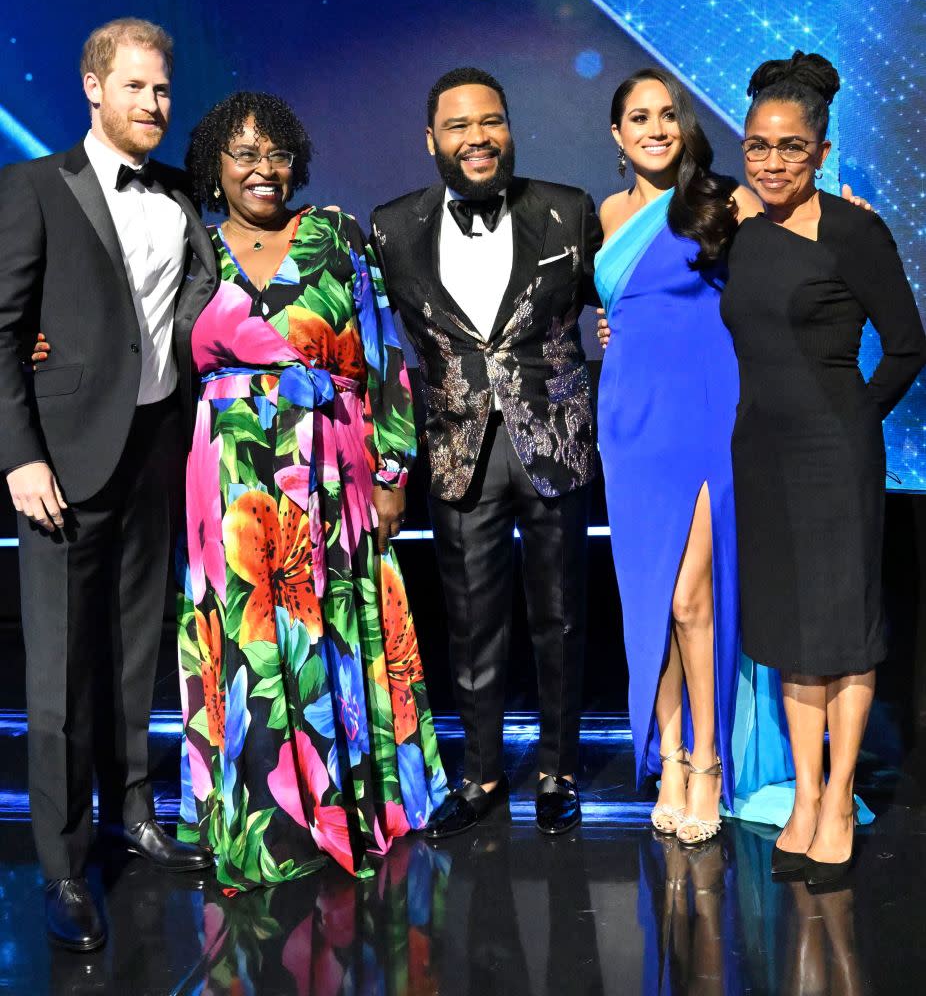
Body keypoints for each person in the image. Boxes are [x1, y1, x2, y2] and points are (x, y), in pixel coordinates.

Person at [175, 92, 448, 890]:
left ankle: (344, 811)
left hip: (329, 469)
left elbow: (386, 351)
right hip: (226, 478)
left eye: (276, 154)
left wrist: (393, 469)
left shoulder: (334, 235)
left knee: (329, 632)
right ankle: (261, 824)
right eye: (243, 156)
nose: (263, 171)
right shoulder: (195, 248)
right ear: (214, 168)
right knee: (252, 644)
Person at [0, 18, 212, 952]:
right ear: (93, 88)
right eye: (135, 89)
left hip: (156, 449)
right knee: (60, 673)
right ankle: (62, 862)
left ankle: (137, 815)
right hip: (62, 465)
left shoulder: (177, 193)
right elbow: (2, 332)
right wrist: (20, 454)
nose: (153, 107)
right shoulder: (34, 186)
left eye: (162, 91)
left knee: (135, 652)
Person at [370, 67, 602, 837]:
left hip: (554, 441)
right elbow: (368, 340)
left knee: (561, 615)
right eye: (460, 126)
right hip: (455, 448)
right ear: (430, 140)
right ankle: (478, 774)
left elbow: (634, 286)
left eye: (492, 121)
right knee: (470, 622)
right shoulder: (391, 227)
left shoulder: (569, 210)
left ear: (509, 128)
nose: (478, 138)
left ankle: (560, 766)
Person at [720, 52, 926, 885]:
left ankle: (840, 798)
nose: (771, 161)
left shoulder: (855, 230)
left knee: (842, 631)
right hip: (759, 451)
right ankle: (804, 797)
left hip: (835, 454)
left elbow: (908, 346)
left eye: (790, 148)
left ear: (821, 151)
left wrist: (854, 417)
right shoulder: (740, 231)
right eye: (758, 145)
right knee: (790, 635)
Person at [594, 67, 772, 846]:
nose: (656, 128)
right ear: (617, 134)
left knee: (689, 599)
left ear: (685, 126)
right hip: (629, 421)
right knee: (650, 606)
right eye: (639, 117)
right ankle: (667, 754)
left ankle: (706, 759)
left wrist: (852, 213)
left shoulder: (724, 200)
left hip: (705, 414)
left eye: (668, 115)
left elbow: (798, 235)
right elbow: (622, 310)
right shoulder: (607, 212)